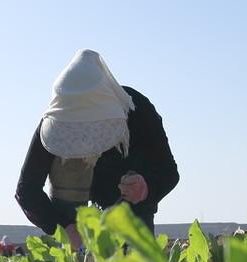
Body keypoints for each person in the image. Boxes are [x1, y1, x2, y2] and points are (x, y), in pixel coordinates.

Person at [15, 49, 179, 250]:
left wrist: (146, 188)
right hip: (73, 205)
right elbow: (27, 190)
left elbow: (169, 172)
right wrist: (65, 227)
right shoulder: (58, 118)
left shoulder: (137, 110)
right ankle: (74, 258)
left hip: (128, 205)